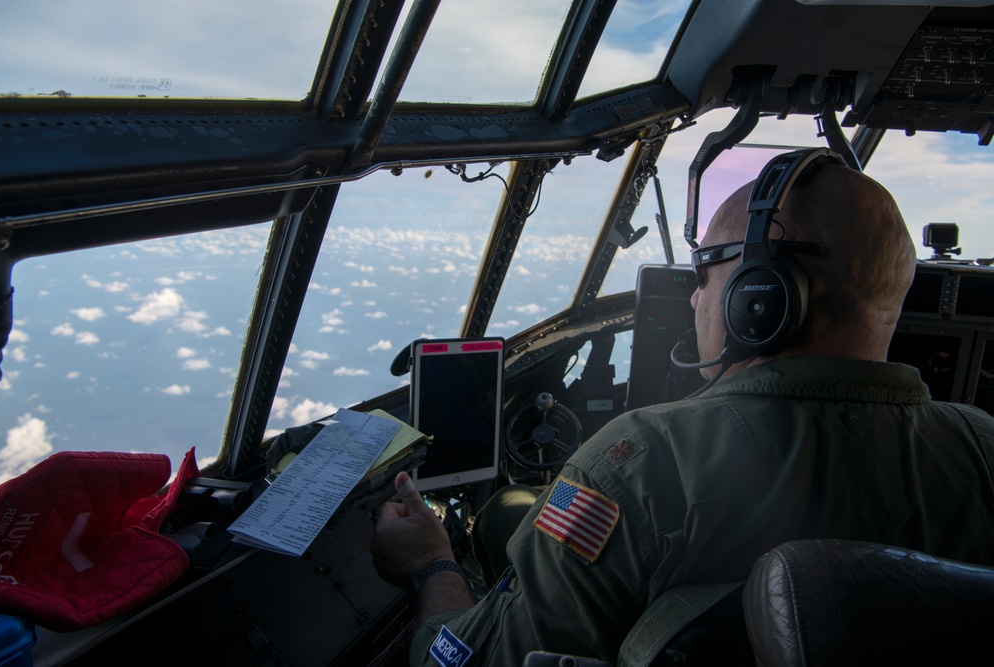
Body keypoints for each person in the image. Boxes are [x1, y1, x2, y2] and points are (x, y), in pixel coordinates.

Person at [370, 156, 994, 666]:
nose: (697, 295)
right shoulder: (982, 447)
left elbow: (472, 661)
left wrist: (431, 564)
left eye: (707, 269)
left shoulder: (636, 464)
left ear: (762, 298)